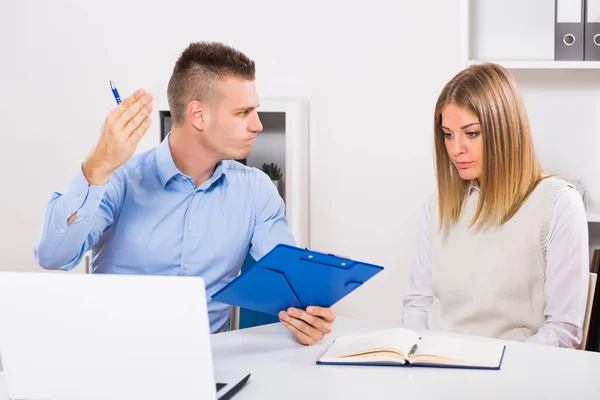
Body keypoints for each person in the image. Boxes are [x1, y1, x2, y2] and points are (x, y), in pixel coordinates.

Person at [34, 41, 334, 345]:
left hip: (212, 372)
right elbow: (52, 255)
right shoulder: (119, 180)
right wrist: (97, 166)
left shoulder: (256, 190)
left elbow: (292, 285)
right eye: (244, 112)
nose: (257, 125)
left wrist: (308, 316)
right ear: (198, 115)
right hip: (118, 364)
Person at [402, 63, 589, 348]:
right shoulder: (437, 203)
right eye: (448, 134)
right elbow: (418, 304)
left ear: (505, 129)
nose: (456, 149)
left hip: (514, 376)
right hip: (437, 368)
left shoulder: (559, 204)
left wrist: (499, 368)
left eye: (472, 133)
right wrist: (418, 352)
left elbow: (564, 329)